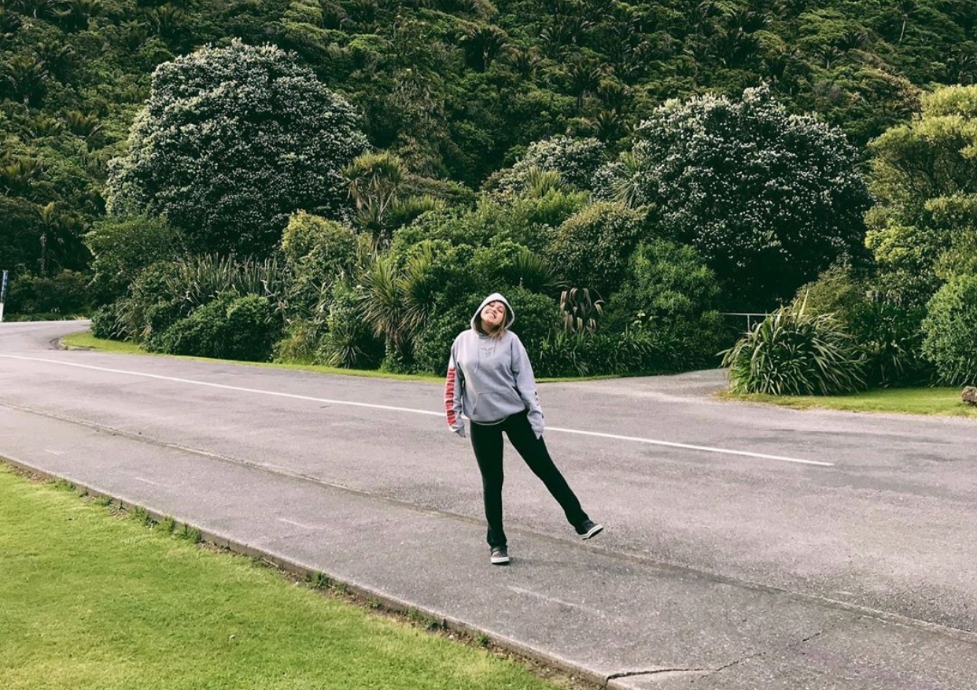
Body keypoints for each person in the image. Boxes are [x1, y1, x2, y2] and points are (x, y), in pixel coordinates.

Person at [444, 292, 603, 565]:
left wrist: (536, 415)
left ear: (505, 319)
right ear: (480, 310)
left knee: (545, 468)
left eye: (501, 309)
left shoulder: (511, 342)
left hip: (515, 416)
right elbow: (453, 380)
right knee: (492, 483)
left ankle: (581, 521)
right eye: (490, 305)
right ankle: (497, 545)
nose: (495, 309)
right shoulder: (462, 341)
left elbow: (526, 381)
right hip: (482, 423)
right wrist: (453, 415)